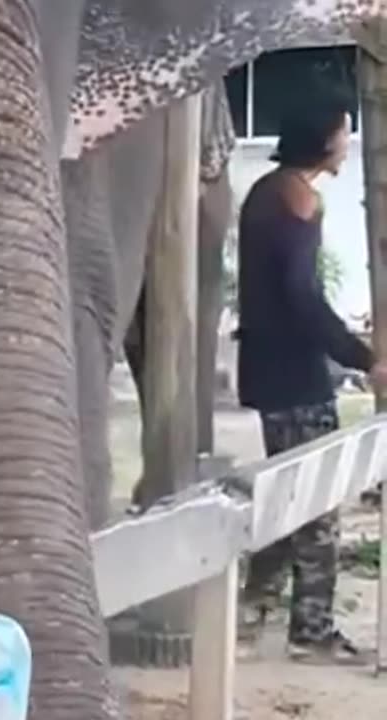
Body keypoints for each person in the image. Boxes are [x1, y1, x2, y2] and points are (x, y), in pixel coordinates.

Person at [235, 92, 387, 663]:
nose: (347, 142)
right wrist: (362, 356)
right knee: (317, 507)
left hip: (274, 370)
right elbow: (303, 298)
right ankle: (312, 631)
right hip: (294, 375)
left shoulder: (273, 194)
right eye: (344, 133)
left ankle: (255, 607)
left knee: (288, 497)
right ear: (323, 140)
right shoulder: (295, 201)